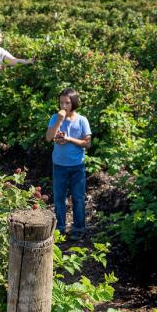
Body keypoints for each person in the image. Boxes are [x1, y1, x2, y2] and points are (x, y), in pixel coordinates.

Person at [45, 88, 92, 238]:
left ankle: (79, 228)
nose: (64, 106)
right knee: (59, 198)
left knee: (78, 198)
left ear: (74, 103)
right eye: (61, 103)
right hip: (59, 165)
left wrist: (69, 139)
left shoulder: (82, 120)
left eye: (67, 103)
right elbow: (49, 137)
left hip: (77, 166)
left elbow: (87, 143)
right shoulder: (55, 117)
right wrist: (59, 121)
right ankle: (60, 228)